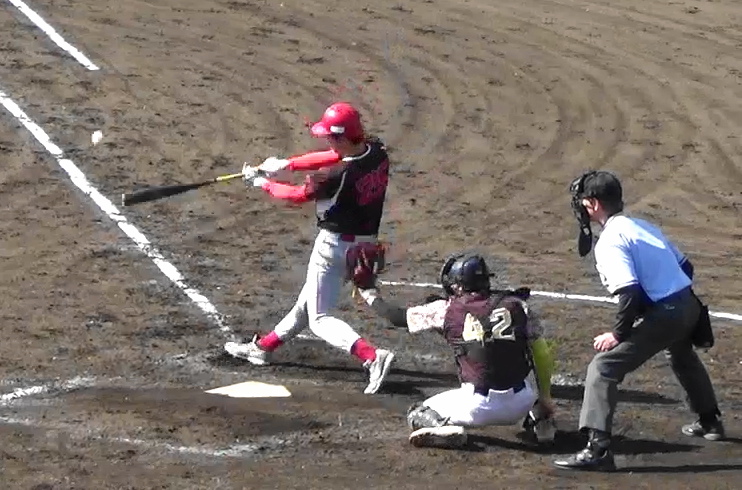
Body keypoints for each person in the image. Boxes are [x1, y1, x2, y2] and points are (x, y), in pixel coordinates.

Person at [553, 170, 724, 472]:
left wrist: (618, 334)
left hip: (669, 314)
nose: (580, 207)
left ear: (594, 204)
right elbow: (686, 267)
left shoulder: (610, 241)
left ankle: (598, 449)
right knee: (681, 353)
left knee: (603, 368)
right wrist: (666, 293)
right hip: (689, 305)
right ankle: (710, 421)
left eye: (583, 201)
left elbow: (629, 292)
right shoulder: (642, 226)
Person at [224, 102, 395, 395]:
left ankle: (371, 357)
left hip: (333, 248)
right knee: (309, 302)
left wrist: (263, 183)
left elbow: (296, 195)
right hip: (364, 244)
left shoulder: (336, 176)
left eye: (330, 136)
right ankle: (263, 348)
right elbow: (333, 155)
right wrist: (286, 164)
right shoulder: (376, 152)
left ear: (341, 137)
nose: (326, 141)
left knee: (320, 320)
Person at [346, 247, 558, 449]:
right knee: (525, 373)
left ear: (458, 286)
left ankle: (443, 428)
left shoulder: (445, 310)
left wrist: (368, 292)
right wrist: (546, 397)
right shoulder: (517, 305)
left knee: (419, 412)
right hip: (522, 403)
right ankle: (541, 421)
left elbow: (395, 316)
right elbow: (542, 355)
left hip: (478, 408)